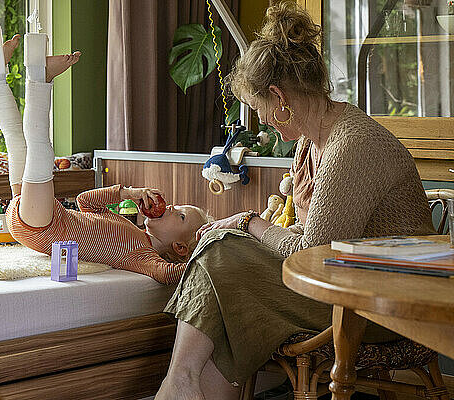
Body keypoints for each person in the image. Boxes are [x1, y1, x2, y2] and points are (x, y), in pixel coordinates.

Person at [155, 2, 435, 399]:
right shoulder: (310, 142)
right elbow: (313, 239)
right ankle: (181, 382)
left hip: (378, 305)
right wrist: (246, 228)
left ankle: (178, 382)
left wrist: (248, 222)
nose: (263, 120)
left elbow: (312, 252)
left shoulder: (353, 145)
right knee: (223, 274)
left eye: (259, 109)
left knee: (222, 254)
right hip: (340, 287)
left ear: (278, 96)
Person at [0, 35, 209, 285]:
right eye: (178, 206)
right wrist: (128, 193)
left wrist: (206, 261)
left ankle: (41, 77)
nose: (172, 207)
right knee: (17, 143)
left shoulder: (143, 255)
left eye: (181, 216)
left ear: (180, 247)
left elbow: (165, 273)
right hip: (40, 217)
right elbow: (83, 201)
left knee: (39, 148)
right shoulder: (126, 224)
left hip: (45, 228)